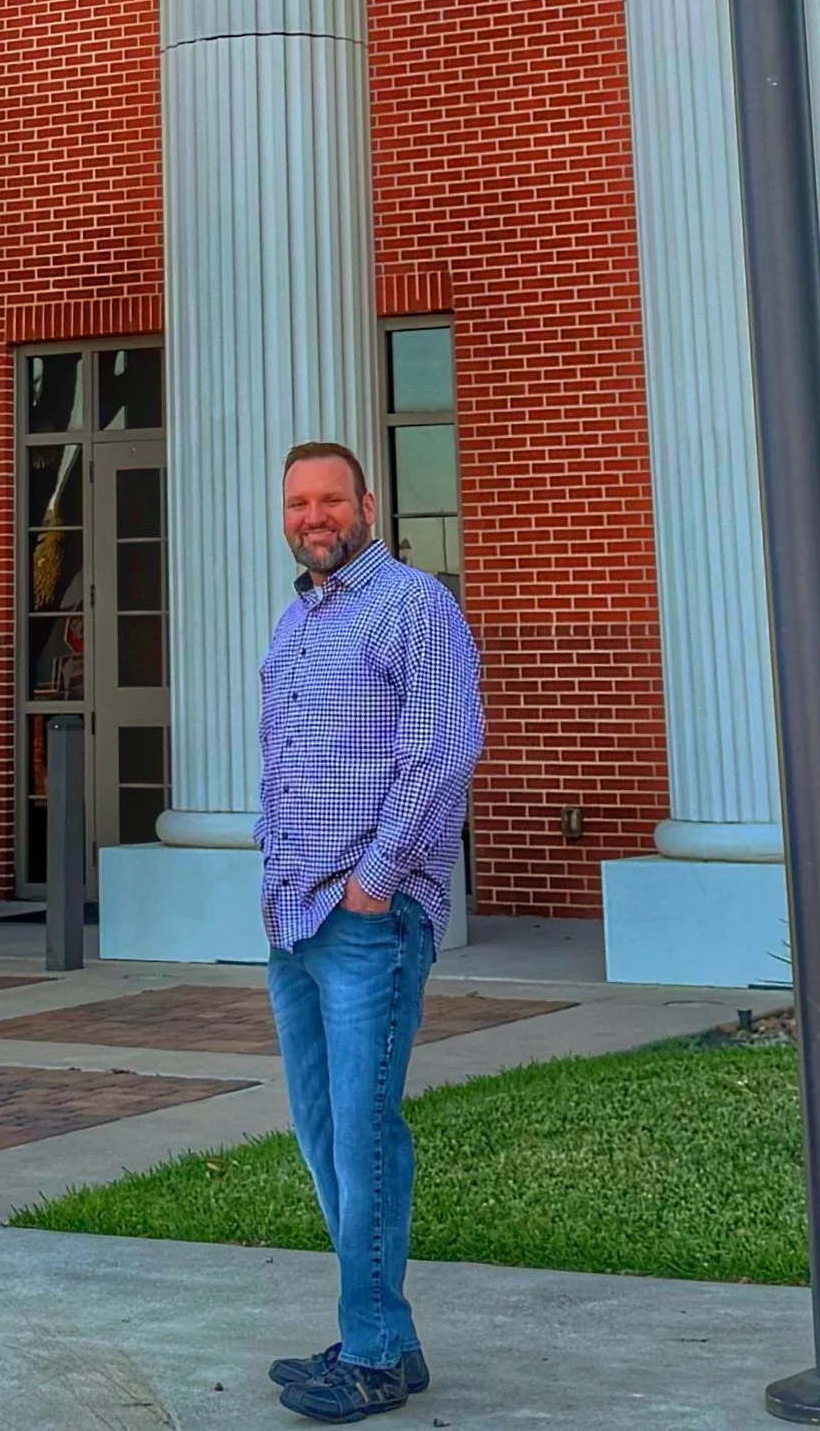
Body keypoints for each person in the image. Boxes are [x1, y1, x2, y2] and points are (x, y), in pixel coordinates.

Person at [258, 437, 484, 1421]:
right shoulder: (296, 615)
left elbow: (443, 752)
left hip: (367, 918)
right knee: (320, 1130)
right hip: (294, 913)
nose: (315, 515)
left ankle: (377, 1350)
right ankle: (374, 1329)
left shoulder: (412, 604)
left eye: (330, 499)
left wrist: (372, 883)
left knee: (363, 1131)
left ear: (367, 502)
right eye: (299, 501)